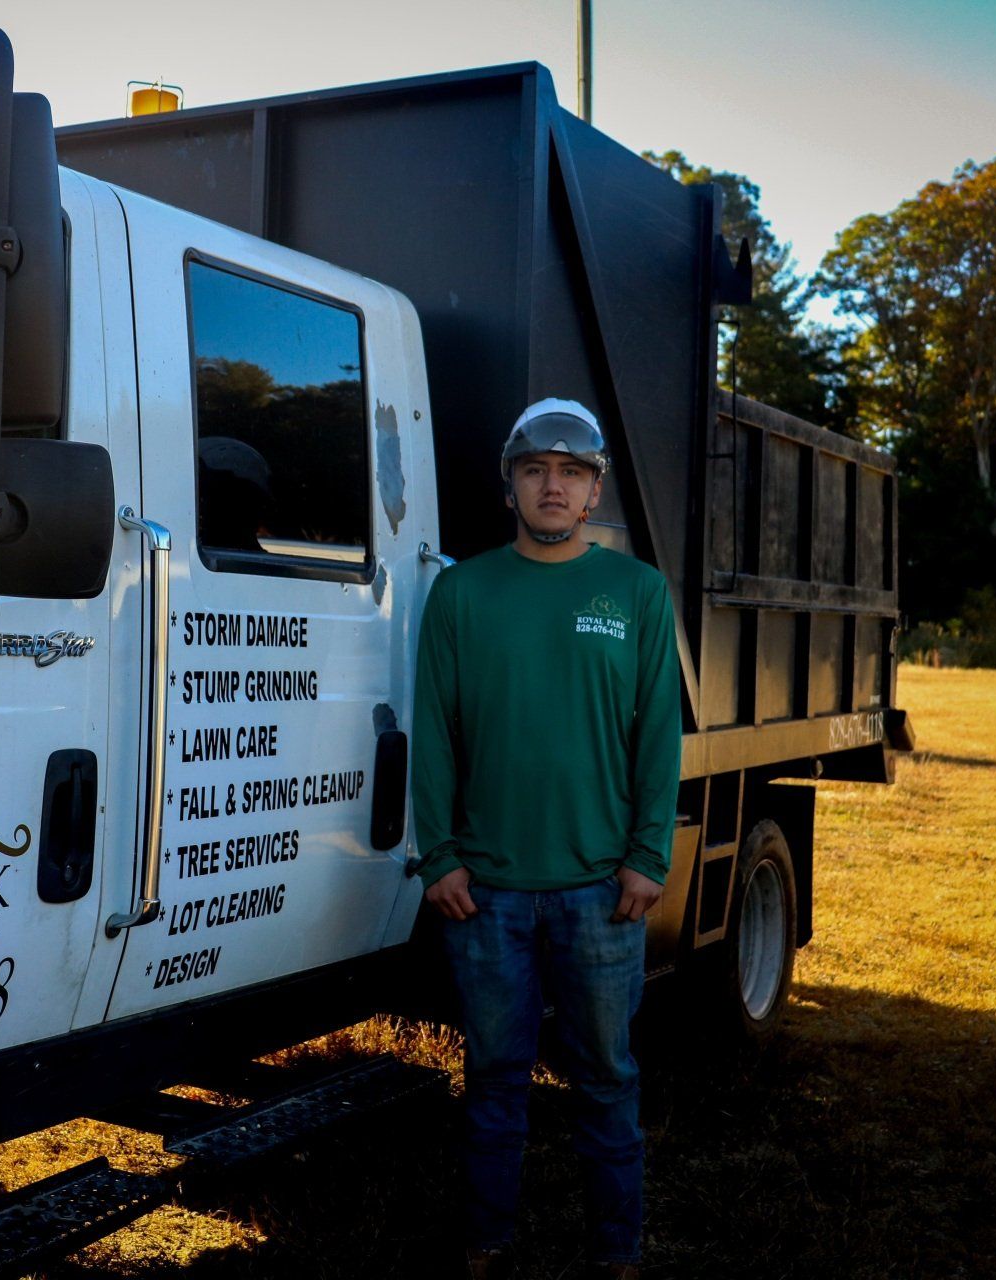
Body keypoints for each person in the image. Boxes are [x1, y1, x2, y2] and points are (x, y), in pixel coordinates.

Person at [411, 397, 682, 1280]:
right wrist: (440, 856)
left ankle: (617, 1254)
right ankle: (486, 1244)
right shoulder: (461, 591)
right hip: (484, 892)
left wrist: (648, 857)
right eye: (536, 470)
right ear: (511, 487)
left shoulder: (635, 591)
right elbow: (435, 731)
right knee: (493, 1079)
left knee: (606, 1078)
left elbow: (658, 741)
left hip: (602, 889)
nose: (553, 486)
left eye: (570, 471)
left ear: (596, 486)